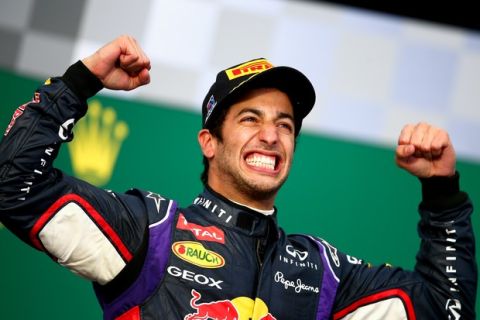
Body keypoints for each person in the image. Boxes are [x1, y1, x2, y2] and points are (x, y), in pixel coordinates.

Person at [0, 35, 476, 319]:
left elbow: (444, 307)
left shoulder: (322, 270)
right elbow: (12, 186)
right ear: (210, 142)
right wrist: (78, 83)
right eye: (250, 119)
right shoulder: (151, 231)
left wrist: (442, 194)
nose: (271, 135)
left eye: (285, 125)